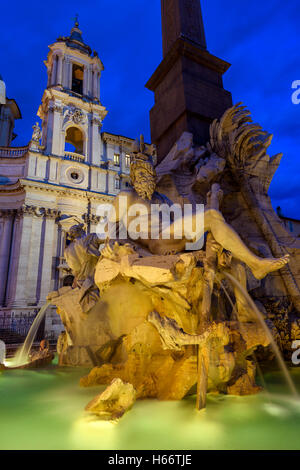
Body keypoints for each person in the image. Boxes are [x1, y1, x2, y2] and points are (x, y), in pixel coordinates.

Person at [106, 136, 289, 281]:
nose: (145, 176)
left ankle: (250, 261)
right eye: (140, 172)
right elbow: (110, 230)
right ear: (133, 175)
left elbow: (181, 222)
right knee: (210, 216)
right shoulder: (126, 196)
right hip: (156, 242)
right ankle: (255, 264)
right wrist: (117, 247)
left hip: (172, 239)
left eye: (148, 172)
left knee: (211, 217)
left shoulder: (161, 199)